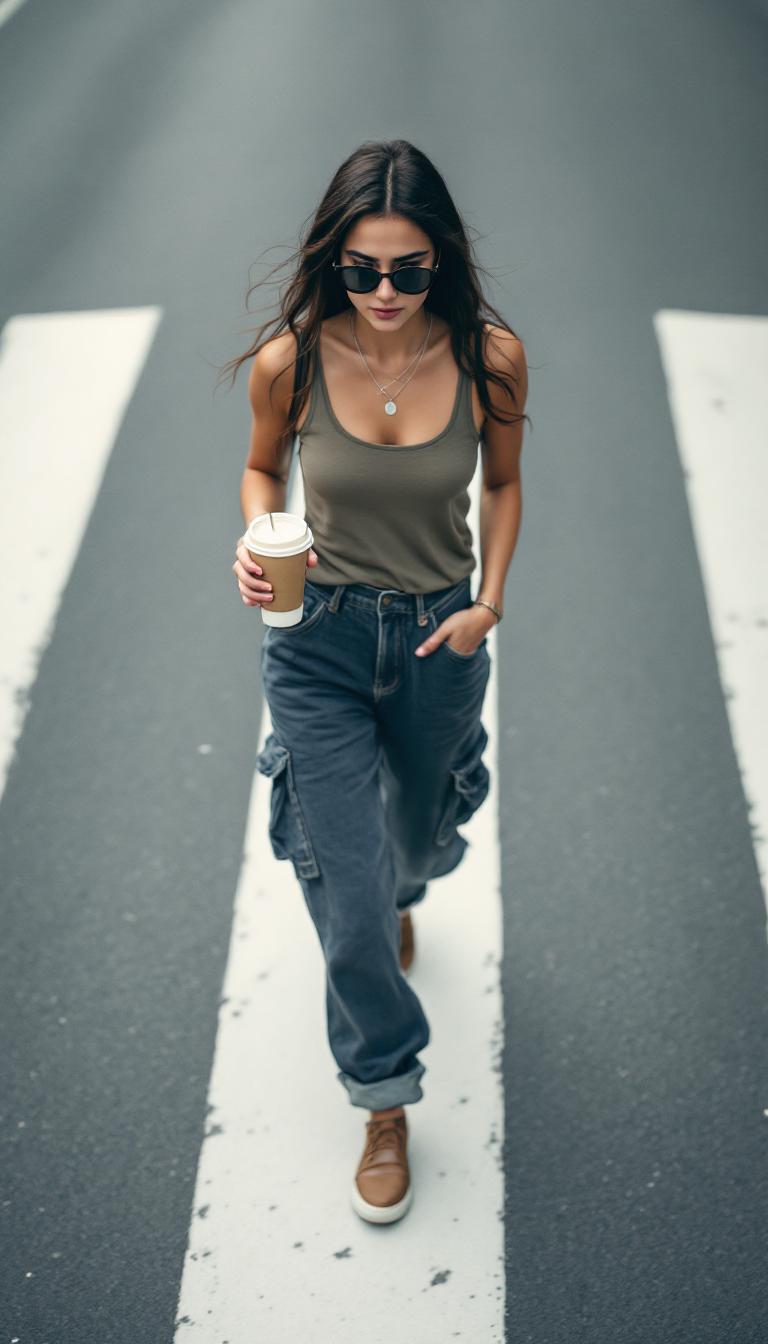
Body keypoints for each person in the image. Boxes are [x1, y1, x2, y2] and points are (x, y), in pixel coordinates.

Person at [224, 139, 529, 1224]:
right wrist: (256, 536)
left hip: (442, 634)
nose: (385, 291)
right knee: (347, 895)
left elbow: (504, 484)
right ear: (333, 262)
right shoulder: (291, 362)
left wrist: (489, 604)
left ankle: (407, 883)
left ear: (440, 260)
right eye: (360, 270)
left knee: (417, 839)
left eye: (407, 269)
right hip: (319, 638)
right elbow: (262, 465)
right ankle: (384, 1097)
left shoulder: (490, 358)